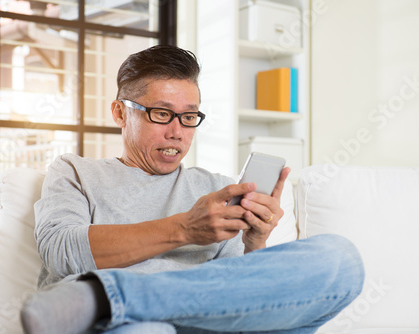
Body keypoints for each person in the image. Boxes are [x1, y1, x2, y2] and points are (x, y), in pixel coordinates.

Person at [21, 45, 364, 334]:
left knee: (342, 260)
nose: (177, 132)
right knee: (150, 330)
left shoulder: (215, 189)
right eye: (161, 114)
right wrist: (184, 228)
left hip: (207, 324)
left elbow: (240, 295)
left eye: (189, 117)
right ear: (120, 113)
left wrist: (255, 242)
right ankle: (115, 305)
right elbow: (61, 252)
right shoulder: (75, 172)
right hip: (126, 328)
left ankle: (108, 297)